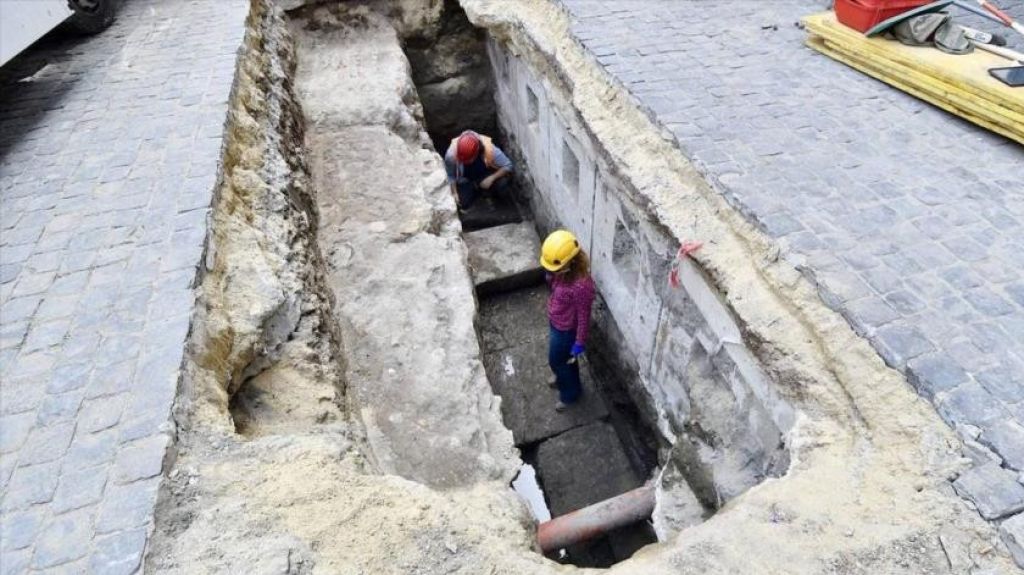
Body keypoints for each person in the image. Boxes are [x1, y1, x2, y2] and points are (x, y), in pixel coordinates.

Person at [540, 229, 596, 412]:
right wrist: (551, 277)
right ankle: (562, 377)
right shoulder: (563, 272)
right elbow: (557, 288)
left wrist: (579, 342)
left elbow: (583, 316)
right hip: (556, 322)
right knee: (563, 361)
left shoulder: (581, 286)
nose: (550, 271)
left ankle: (570, 394)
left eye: (553, 269)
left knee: (556, 361)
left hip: (566, 331)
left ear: (570, 263)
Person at [443, 130, 513, 209]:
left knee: (502, 185)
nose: (465, 162)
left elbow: (508, 165)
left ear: (477, 152)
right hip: (465, 179)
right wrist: (454, 193)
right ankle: (477, 190)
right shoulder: (451, 155)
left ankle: (488, 193)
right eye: (462, 160)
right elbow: (450, 175)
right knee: (461, 203)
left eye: (468, 160)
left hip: (485, 175)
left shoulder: (490, 149)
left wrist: (491, 178)